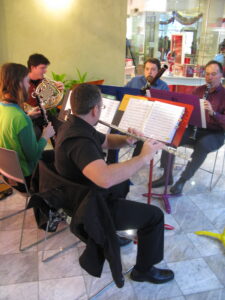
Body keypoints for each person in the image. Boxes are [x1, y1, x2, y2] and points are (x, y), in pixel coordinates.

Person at [55, 83, 174, 285]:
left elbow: (105, 141)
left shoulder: (75, 123)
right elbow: (105, 178)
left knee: (123, 183)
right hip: (89, 208)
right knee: (154, 216)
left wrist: (128, 140)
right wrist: (144, 158)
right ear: (95, 109)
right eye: (101, 107)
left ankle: (113, 231)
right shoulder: (79, 140)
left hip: (82, 194)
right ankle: (143, 271)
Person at [152, 60, 225, 194]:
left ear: (221, 75)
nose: (210, 77)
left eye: (214, 74)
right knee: (171, 136)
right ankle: (167, 176)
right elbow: (187, 110)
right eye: (207, 74)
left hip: (216, 133)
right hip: (195, 128)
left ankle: (182, 181)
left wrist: (213, 113)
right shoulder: (198, 91)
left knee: (203, 145)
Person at [0, 63, 55, 187]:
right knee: (61, 157)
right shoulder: (21, 118)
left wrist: (28, 116)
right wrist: (46, 136)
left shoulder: (2, 108)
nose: (29, 85)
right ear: (19, 84)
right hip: (27, 177)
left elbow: (11, 126)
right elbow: (33, 156)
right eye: (27, 81)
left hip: (8, 173)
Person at [26, 53, 63, 138]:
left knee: (63, 128)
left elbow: (44, 101)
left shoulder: (44, 81)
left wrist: (57, 89)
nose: (45, 71)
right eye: (42, 68)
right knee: (36, 134)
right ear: (32, 68)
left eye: (46, 68)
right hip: (29, 117)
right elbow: (34, 103)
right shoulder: (23, 82)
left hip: (44, 115)